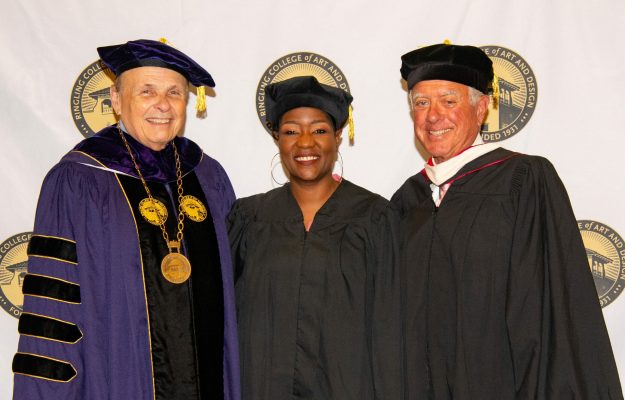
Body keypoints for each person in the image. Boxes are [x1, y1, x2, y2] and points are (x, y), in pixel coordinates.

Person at [391, 43, 623, 399]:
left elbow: (553, 313)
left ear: (481, 107)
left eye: (448, 101)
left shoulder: (523, 181)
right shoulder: (407, 201)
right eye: (421, 103)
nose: (433, 116)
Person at [12, 39, 240, 400]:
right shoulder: (80, 180)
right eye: (146, 91)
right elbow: (53, 307)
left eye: (174, 92)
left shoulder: (209, 177)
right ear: (116, 101)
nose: (162, 105)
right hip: (118, 381)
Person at [228, 76, 403, 399]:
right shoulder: (249, 218)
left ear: (337, 137)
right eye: (291, 131)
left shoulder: (375, 217)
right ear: (277, 139)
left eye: (320, 130)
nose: (305, 143)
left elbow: (391, 328)